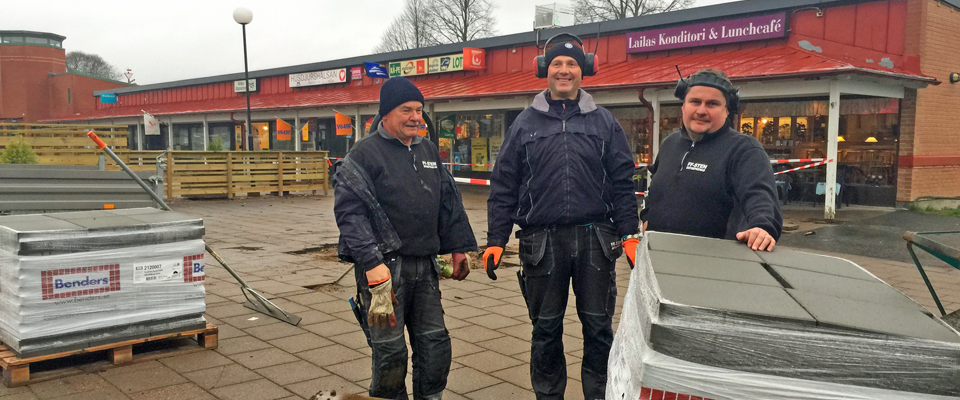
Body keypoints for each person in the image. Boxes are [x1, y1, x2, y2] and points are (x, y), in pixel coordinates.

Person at [482, 34, 640, 400]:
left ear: (582, 71)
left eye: (571, 64)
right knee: (546, 329)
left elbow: (621, 181)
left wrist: (630, 233)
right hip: (543, 243)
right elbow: (504, 185)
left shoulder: (604, 122)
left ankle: (600, 395)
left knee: (599, 328)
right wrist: (495, 239)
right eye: (556, 64)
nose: (564, 70)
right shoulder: (524, 123)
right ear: (545, 71)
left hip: (596, 240)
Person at [333, 76, 478, 400]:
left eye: (418, 110)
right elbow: (350, 214)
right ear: (385, 115)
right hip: (385, 274)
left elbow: (447, 200)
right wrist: (371, 263)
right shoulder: (364, 154)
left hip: (425, 269)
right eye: (406, 110)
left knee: (435, 343)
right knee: (390, 353)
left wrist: (457, 249)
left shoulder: (427, 149)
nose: (416, 117)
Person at [641, 68, 782, 251]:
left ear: (726, 110)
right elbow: (654, 190)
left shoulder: (744, 150)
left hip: (715, 264)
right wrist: (646, 218)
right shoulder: (670, 144)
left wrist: (762, 227)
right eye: (695, 101)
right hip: (659, 257)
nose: (701, 110)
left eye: (712, 104)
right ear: (683, 106)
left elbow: (760, 196)